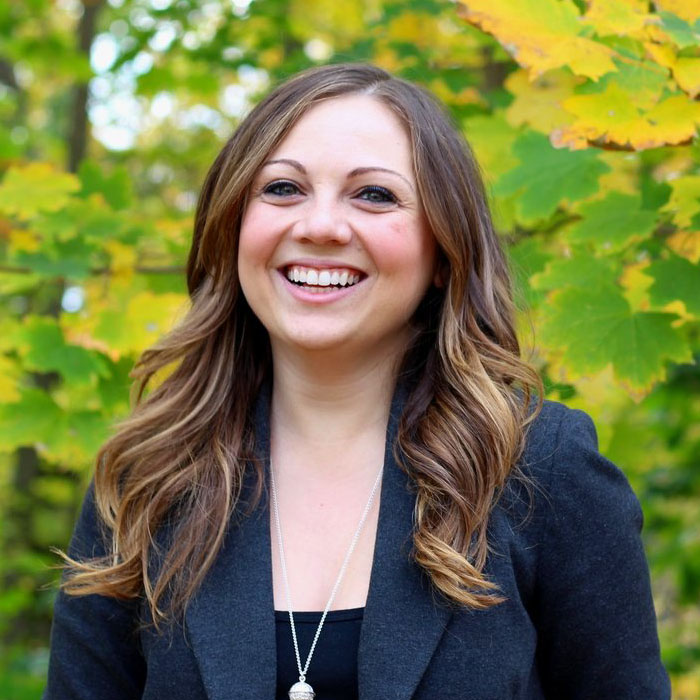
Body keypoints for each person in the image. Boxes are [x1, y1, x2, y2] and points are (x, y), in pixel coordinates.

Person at [43, 63, 670, 699]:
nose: (319, 226)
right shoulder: (147, 479)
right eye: (282, 188)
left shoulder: (541, 471)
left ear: (444, 252)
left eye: (373, 195)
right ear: (233, 226)